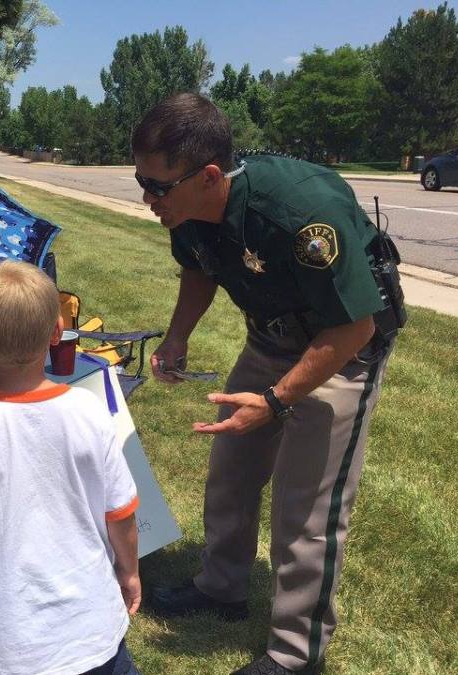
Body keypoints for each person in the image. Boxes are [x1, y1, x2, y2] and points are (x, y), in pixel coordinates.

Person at [132, 93, 403, 675]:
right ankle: (222, 588)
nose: (146, 198)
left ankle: (295, 652)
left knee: (307, 506)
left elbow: (354, 324)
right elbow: (199, 268)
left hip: (341, 349)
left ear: (208, 176)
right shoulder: (188, 210)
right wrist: (177, 338)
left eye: (156, 186)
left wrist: (278, 400)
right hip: (269, 340)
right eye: (140, 181)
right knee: (231, 469)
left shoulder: (301, 212)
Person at [0, 260, 142, 675]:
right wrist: (129, 571)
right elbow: (121, 514)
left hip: (11, 645)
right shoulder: (89, 412)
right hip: (95, 633)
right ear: (58, 332)